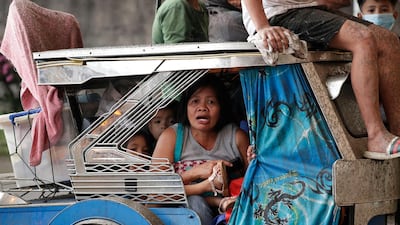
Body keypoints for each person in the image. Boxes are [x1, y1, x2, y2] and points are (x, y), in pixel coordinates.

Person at [241, 0, 400, 160]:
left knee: (389, 42)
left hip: (310, 9)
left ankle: (396, 133)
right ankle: (376, 135)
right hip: (275, 15)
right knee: (362, 38)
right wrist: (262, 26)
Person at [152, 75, 250, 225]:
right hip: (182, 216)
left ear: (221, 107)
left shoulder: (236, 137)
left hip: (230, 213)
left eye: (211, 102)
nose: (202, 107)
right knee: (195, 202)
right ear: (186, 106)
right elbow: (154, 193)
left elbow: (254, 184)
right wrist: (195, 174)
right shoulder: (172, 137)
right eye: (195, 101)